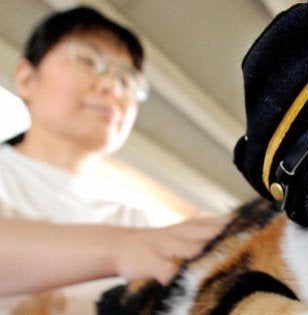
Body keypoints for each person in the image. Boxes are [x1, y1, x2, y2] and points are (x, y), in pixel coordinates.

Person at [0, 6, 226, 314]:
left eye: (127, 80)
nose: (112, 87)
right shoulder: (134, 237)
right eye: (88, 61)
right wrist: (119, 247)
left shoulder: (133, 222)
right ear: (26, 78)